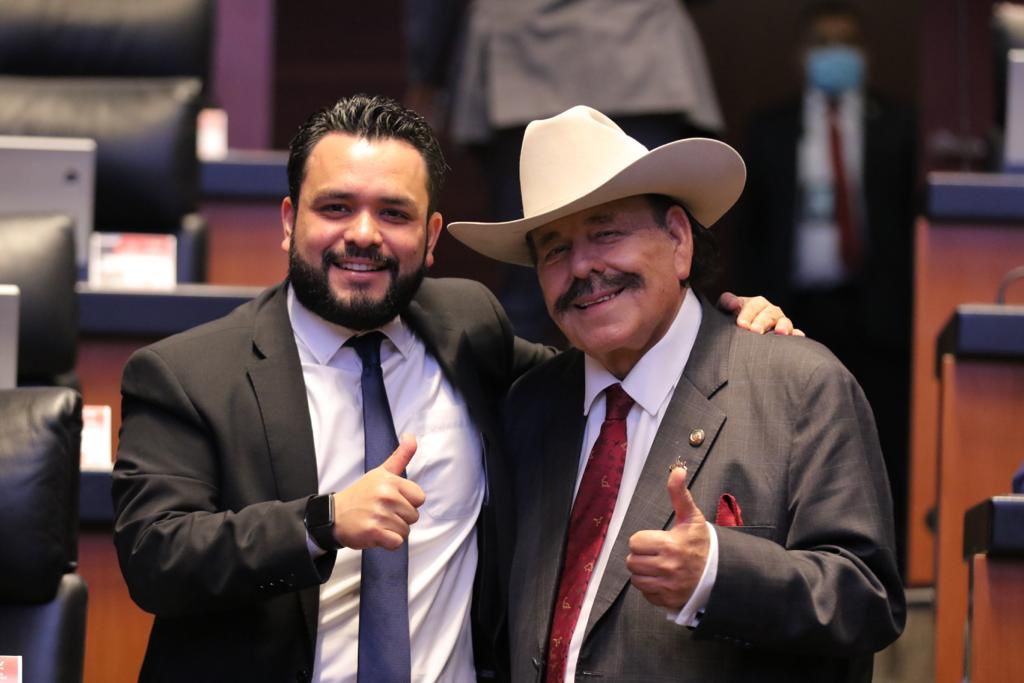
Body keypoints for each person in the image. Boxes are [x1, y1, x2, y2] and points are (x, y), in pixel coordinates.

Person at [111, 94, 795, 682]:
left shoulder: (469, 327)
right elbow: (155, 555)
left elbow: (604, 367)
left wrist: (714, 329)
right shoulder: (189, 373)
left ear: (432, 235)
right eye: (336, 207)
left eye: (394, 213)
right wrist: (322, 522)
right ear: (290, 221)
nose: (363, 235)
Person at [448, 104, 906, 681]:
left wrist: (719, 575)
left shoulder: (799, 386)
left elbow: (867, 598)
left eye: (606, 232)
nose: (583, 266)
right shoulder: (530, 408)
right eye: (555, 249)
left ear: (679, 240)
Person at [406, 0, 725, 345]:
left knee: (536, 286)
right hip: (640, 48)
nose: (584, 265)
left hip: (521, 57)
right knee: (652, 271)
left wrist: (427, 73)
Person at [737, 1, 916, 572]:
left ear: (864, 53)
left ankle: (885, 564)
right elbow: (752, 231)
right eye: (824, 43)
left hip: (878, 315)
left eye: (846, 43)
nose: (835, 54)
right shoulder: (771, 128)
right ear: (802, 54)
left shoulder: (898, 125)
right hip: (793, 312)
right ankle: (799, 559)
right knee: (793, 442)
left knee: (884, 442)